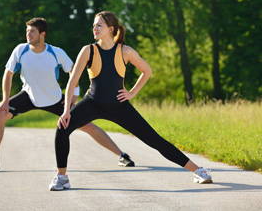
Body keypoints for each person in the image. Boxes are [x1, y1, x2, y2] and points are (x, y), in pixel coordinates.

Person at [49, 11, 213, 191]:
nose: (94, 28)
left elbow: (147, 71)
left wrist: (132, 93)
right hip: (92, 103)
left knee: (154, 140)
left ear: (111, 29)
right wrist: (66, 110)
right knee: (62, 128)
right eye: (94, 25)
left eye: (99, 25)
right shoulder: (88, 50)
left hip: (119, 106)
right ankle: (62, 177)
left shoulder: (125, 51)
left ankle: (199, 171)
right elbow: (72, 81)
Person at [0, 17, 135, 172]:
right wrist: (5, 100)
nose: (28, 35)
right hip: (28, 96)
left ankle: (122, 155)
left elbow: (73, 73)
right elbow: (7, 75)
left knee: (88, 126)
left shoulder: (56, 53)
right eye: (27, 31)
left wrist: (74, 97)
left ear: (42, 34)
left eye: (32, 32)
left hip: (55, 99)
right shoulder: (20, 50)